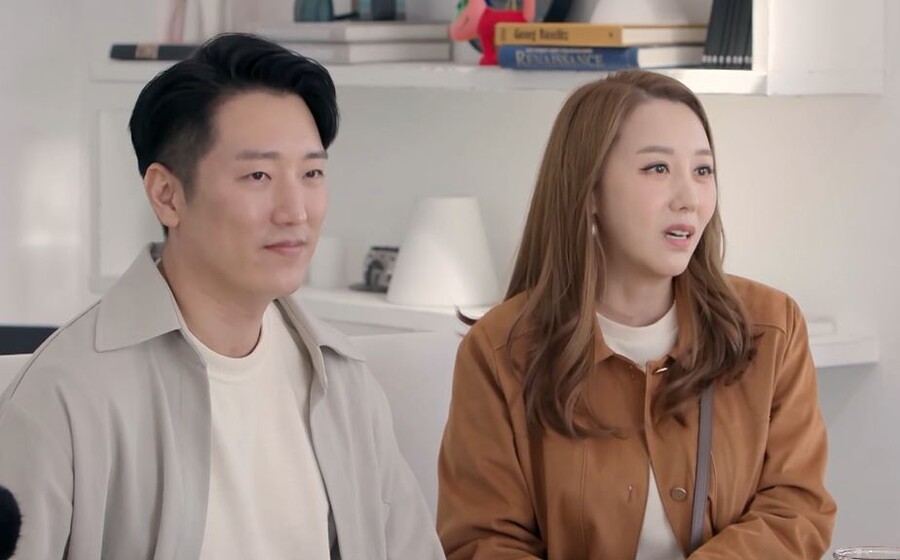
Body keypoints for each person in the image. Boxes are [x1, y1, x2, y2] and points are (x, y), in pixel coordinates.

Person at [0, 33, 444, 559]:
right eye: (258, 175)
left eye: (311, 173)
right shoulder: (62, 397)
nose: (295, 211)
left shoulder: (344, 384)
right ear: (167, 195)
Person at [437, 70, 836, 559]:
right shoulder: (499, 353)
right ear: (589, 191)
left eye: (703, 170)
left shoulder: (772, 329)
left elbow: (796, 509)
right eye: (657, 169)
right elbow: (484, 541)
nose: (689, 198)